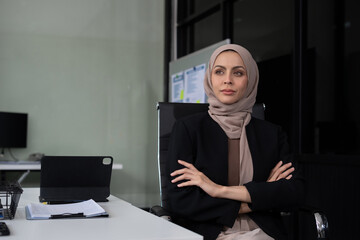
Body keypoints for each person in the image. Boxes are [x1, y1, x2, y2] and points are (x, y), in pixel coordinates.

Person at [166, 44, 305, 240]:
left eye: (238, 73)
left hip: (265, 231)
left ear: (251, 80)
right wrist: (259, 196)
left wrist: (218, 190)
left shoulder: (272, 134)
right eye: (219, 71)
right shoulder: (188, 130)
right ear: (210, 78)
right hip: (209, 233)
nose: (227, 80)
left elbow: (294, 192)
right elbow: (180, 201)